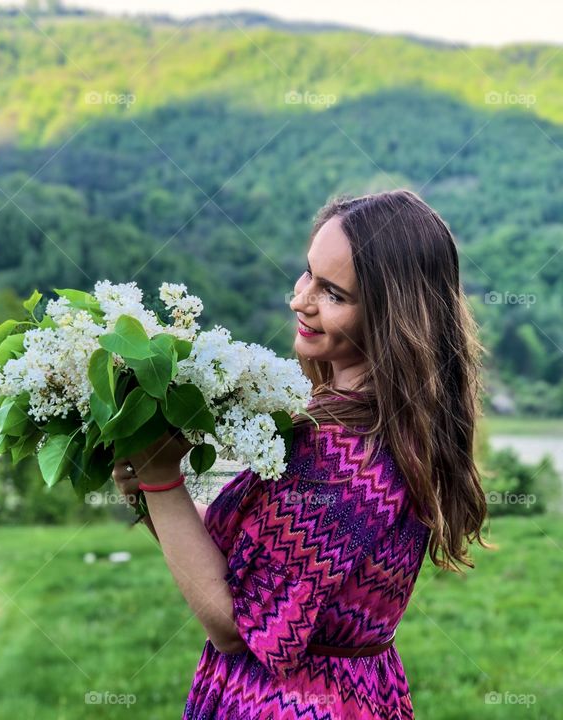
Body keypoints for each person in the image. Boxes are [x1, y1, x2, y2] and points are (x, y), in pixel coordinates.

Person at [112, 189, 490, 719]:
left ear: (390, 316)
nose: (301, 300)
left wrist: (161, 479)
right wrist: (156, 496)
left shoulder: (343, 453)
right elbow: (253, 564)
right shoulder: (384, 421)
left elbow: (235, 626)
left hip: (292, 703)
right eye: (308, 274)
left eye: (333, 294)